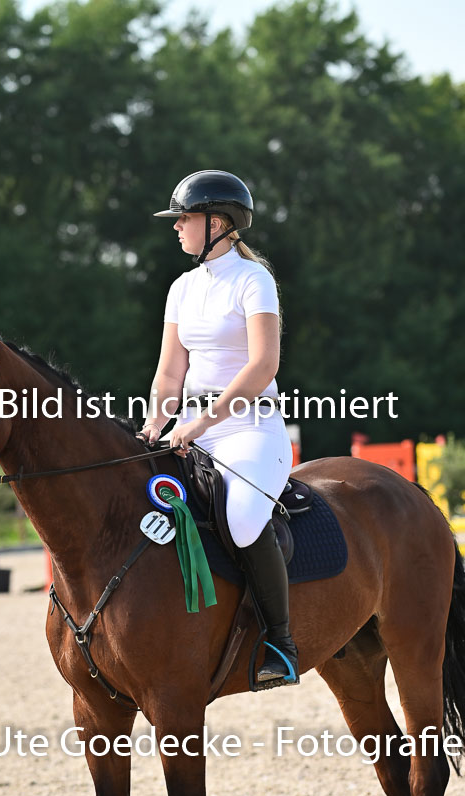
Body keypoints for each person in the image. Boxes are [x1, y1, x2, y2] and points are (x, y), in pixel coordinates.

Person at [136, 169, 299, 688]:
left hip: (251, 428)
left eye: (184, 218)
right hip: (191, 428)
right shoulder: (181, 288)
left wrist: (200, 422)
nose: (176, 227)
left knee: (244, 517)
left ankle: (281, 642)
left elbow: (263, 365)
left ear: (217, 223)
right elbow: (170, 373)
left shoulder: (254, 280)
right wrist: (153, 424)